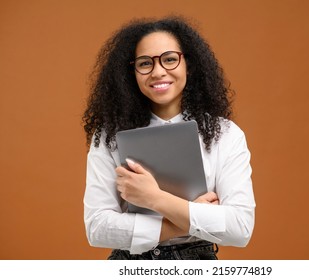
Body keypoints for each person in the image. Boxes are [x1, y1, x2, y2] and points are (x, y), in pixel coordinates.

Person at [82, 15, 256, 260]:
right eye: (145, 64)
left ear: (189, 65)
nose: (158, 72)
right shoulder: (108, 136)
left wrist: (154, 198)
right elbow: (97, 228)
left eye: (170, 60)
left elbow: (240, 227)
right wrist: (184, 221)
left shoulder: (225, 134)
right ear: (130, 72)